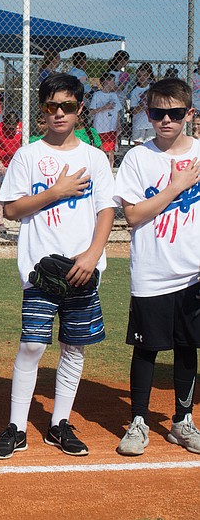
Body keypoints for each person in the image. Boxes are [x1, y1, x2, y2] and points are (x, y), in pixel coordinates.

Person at [0, 73, 115, 460]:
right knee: (31, 345)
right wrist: (55, 191)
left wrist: (92, 255)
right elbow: (11, 208)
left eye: (68, 106)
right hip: (40, 269)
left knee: (74, 347)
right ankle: (17, 427)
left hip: (82, 267)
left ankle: (59, 423)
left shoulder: (94, 158)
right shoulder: (29, 155)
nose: (59, 113)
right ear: (42, 110)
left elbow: (106, 210)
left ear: (80, 109)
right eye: (51, 107)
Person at [113, 78, 200, 456]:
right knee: (146, 349)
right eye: (157, 113)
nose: (166, 120)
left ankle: (182, 421)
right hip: (152, 270)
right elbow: (133, 215)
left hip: (193, 271)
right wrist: (176, 186)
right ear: (147, 114)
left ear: (189, 114)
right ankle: (138, 421)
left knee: (187, 346)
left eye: (175, 113)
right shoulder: (138, 158)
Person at [0, 111, 22, 234]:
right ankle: (0, 223)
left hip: (16, 163)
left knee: (18, 190)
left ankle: (18, 213)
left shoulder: (21, 127)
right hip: (1, 163)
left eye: (14, 127)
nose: (12, 129)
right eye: (9, 127)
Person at [89, 73, 123, 167]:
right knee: (101, 149)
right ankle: (100, 168)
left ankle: (110, 168)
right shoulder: (97, 95)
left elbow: (118, 111)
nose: (114, 84)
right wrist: (105, 107)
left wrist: (119, 124)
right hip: (100, 127)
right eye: (112, 81)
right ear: (106, 82)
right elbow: (91, 112)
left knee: (111, 151)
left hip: (111, 127)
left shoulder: (114, 95)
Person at [129, 63, 155, 146]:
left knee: (151, 145)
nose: (142, 78)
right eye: (139, 76)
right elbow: (134, 111)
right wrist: (143, 104)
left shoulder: (153, 89)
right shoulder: (135, 91)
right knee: (138, 145)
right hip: (139, 123)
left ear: (148, 76)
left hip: (151, 123)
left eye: (144, 75)